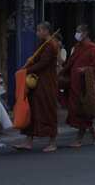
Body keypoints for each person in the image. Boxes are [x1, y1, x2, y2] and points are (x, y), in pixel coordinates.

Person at [14, 22, 59, 153]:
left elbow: (43, 64)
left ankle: (53, 142)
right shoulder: (43, 44)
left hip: (46, 83)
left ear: (46, 31)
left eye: (39, 30)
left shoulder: (51, 45)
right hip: (38, 83)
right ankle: (28, 141)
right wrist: (30, 63)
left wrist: (25, 71)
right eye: (37, 30)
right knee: (33, 110)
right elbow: (37, 60)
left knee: (47, 111)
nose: (37, 33)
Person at [62, 24, 95, 147]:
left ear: (85, 33)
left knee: (83, 110)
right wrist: (61, 72)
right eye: (76, 31)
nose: (77, 34)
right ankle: (93, 130)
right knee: (76, 110)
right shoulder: (77, 47)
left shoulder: (93, 48)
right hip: (74, 83)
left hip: (86, 84)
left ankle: (79, 140)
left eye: (78, 31)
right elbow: (70, 63)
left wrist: (85, 69)